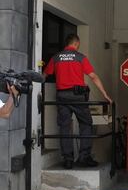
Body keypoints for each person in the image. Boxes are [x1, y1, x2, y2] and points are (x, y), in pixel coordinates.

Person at [43, 34, 112, 169]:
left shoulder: (56, 58)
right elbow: (93, 76)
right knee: (86, 123)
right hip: (78, 97)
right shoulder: (80, 57)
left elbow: (45, 75)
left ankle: (68, 159)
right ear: (76, 43)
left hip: (61, 96)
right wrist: (105, 94)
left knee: (64, 127)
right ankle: (84, 156)